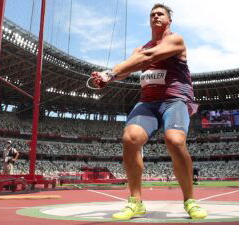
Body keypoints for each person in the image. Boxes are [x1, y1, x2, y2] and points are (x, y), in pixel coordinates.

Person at [91, 3, 207, 220]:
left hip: (174, 100)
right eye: (152, 14)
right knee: (130, 138)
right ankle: (135, 202)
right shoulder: (140, 48)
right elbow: (130, 68)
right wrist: (109, 77)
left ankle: (190, 200)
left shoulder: (176, 40)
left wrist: (111, 72)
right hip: (148, 103)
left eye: (160, 14)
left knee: (174, 140)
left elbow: (149, 57)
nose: (155, 16)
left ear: (169, 20)